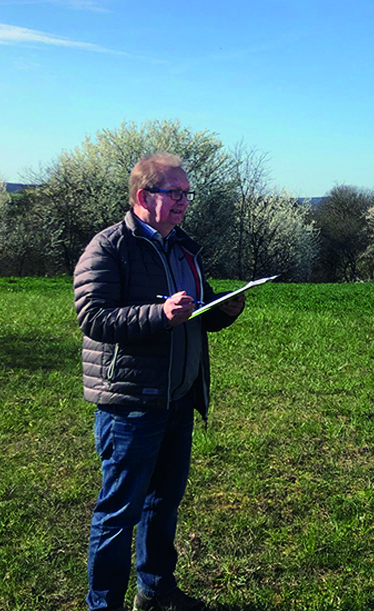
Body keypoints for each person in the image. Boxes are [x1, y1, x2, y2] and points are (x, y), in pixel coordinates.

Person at [73, 152, 245, 611]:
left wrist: (224, 309)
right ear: (143, 196)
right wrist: (159, 315)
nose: (184, 202)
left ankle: (156, 591)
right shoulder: (109, 247)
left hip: (178, 398)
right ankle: (102, 604)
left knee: (163, 502)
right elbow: (93, 317)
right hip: (131, 403)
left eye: (188, 194)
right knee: (118, 512)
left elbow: (197, 314)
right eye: (175, 193)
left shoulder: (185, 247)